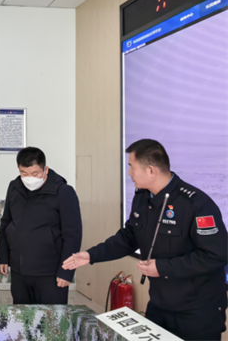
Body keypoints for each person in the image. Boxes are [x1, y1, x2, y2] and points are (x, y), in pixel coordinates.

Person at [63, 139, 228, 341]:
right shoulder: (143, 198)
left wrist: (162, 267)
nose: (129, 173)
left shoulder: (196, 204)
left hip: (197, 311)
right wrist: (90, 255)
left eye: (132, 167)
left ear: (151, 170)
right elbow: (128, 237)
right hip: (160, 304)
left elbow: (216, 255)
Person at [0, 147, 82, 305]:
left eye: (35, 173)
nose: (29, 178)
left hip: (50, 274)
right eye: (24, 173)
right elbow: (6, 222)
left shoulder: (63, 192)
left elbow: (73, 235)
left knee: (52, 318)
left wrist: (66, 272)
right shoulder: (14, 187)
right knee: (22, 317)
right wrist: (3, 256)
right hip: (19, 272)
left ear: (45, 169)